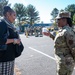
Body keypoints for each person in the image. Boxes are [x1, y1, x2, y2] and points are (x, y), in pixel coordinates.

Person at [0, 6, 21, 75]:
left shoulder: (10, 25)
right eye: (14, 15)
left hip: (10, 58)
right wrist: (14, 40)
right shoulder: (2, 24)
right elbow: (1, 40)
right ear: (8, 14)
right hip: (4, 59)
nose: (15, 18)